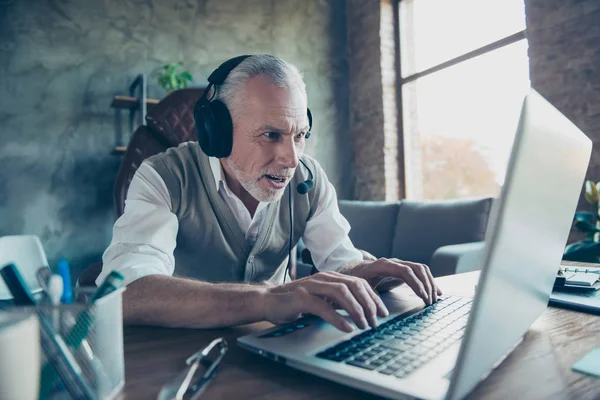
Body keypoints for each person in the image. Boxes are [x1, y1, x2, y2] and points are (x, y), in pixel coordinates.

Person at [97, 54, 442, 333]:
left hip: (275, 348)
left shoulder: (308, 178)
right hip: (182, 353)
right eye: (271, 135)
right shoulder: (164, 176)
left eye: (299, 135)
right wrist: (266, 298)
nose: (291, 159)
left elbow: (340, 258)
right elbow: (124, 294)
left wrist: (368, 271)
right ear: (218, 133)